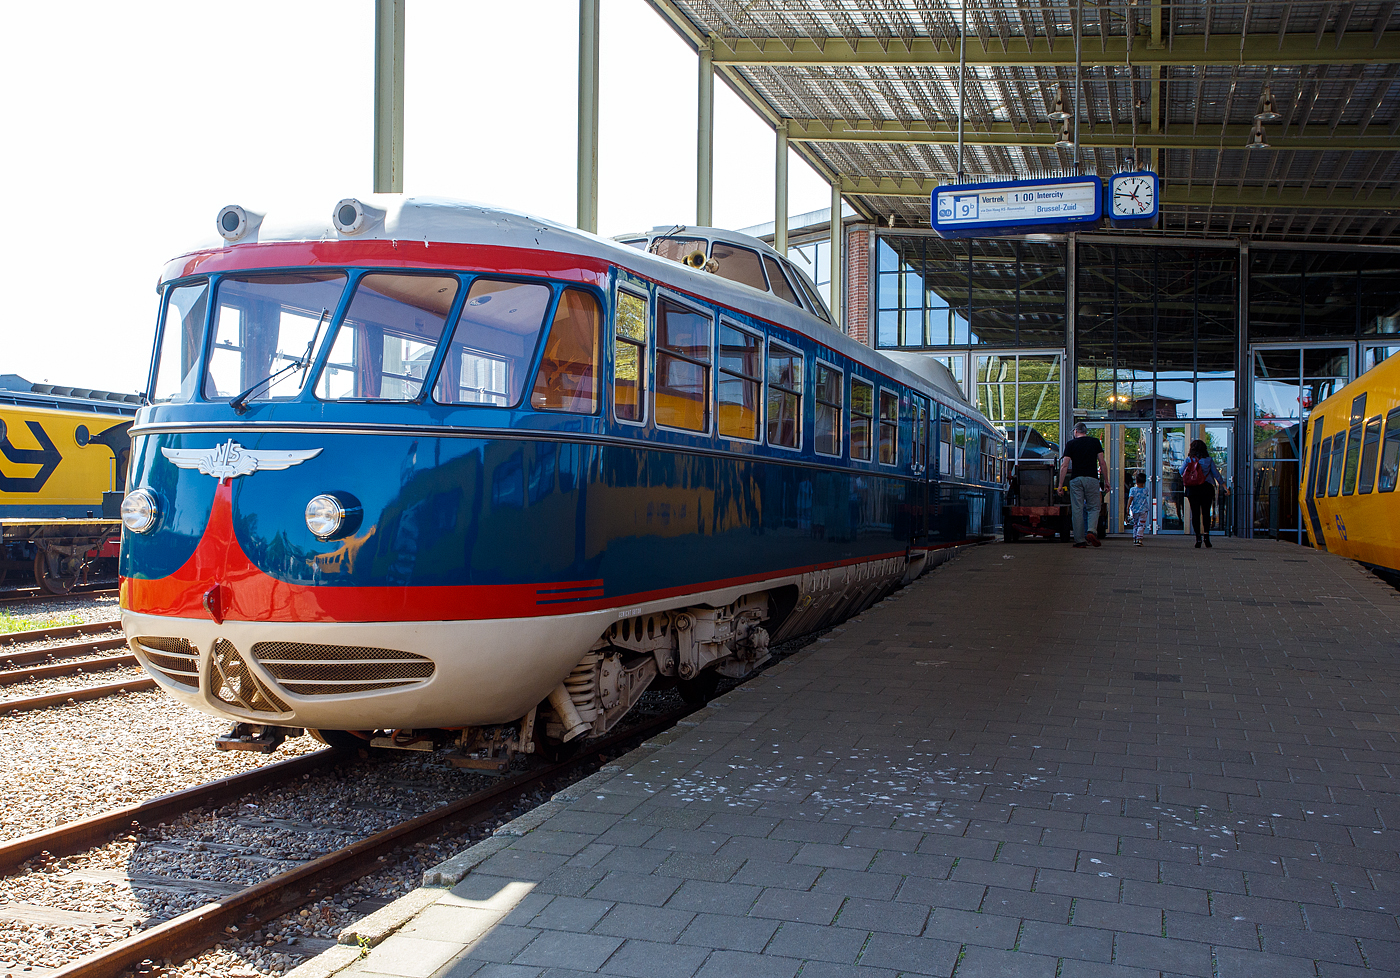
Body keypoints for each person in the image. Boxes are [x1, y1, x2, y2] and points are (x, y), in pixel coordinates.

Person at [1058, 422, 1107, 548]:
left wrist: (1060, 484)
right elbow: (1102, 462)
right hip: (1092, 478)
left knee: (1077, 509)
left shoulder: (1071, 444)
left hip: (1076, 479)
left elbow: (1064, 465)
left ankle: (1080, 540)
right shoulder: (1095, 442)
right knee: (1094, 507)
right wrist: (1106, 481)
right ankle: (1091, 531)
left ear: (1075, 431)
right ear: (1085, 431)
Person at [1179, 439, 1228, 548]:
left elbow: (1181, 471)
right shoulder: (1208, 460)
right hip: (1206, 488)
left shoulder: (1189, 459)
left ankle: (1198, 538)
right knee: (1206, 513)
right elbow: (1216, 474)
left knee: (1195, 513)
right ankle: (1206, 536)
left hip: (1192, 489)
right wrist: (1224, 487)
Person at [1127, 471, 1151, 547]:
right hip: (1144, 510)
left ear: (1136, 480)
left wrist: (1127, 507)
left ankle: (1135, 537)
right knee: (1141, 524)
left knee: (1135, 524)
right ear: (1144, 481)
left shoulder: (1132, 490)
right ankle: (1139, 538)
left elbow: (1130, 499)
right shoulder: (1145, 490)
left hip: (1135, 509)